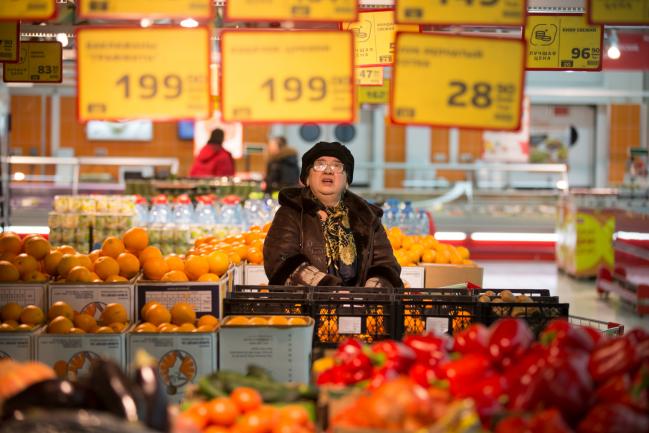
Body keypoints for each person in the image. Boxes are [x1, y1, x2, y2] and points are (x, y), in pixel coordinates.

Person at [263, 141, 402, 288]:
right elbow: (280, 260)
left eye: (337, 166)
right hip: (306, 308)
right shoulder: (291, 212)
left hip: (358, 308)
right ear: (307, 178)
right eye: (320, 164)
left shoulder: (367, 218)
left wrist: (369, 294)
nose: (328, 171)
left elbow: (386, 266)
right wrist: (329, 290)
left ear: (347, 181)